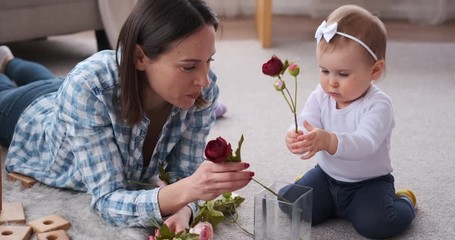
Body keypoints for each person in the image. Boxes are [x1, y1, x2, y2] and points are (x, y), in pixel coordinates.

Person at [0, 0, 252, 232]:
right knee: (9, 90)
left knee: (44, 78)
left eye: (209, 61)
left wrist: (185, 210)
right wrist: (190, 189)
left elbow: (183, 175)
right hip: (29, 111)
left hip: (66, 93)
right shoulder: (88, 86)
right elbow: (107, 199)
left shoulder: (204, 88)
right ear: (140, 57)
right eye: (189, 66)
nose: (204, 79)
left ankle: (8, 60)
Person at [280, 5, 416, 239]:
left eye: (342, 74)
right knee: (288, 203)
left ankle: (404, 200)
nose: (331, 82)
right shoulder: (321, 95)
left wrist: (330, 141)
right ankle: (312, 189)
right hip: (326, 175)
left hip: (368, 183)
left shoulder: (378, 105)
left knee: (378, 224)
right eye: (324, 71)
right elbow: (306, 122)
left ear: (374, 70)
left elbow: (365, 143)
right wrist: (296, 134)